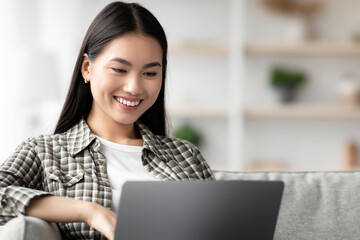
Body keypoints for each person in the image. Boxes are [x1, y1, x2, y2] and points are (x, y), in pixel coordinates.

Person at [0, 2, 214, 240]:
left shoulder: (186, 157)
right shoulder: (45, 153)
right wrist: (88, 212)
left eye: (150, 73)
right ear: (87, 68)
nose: (134, 87)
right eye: (119, 70)